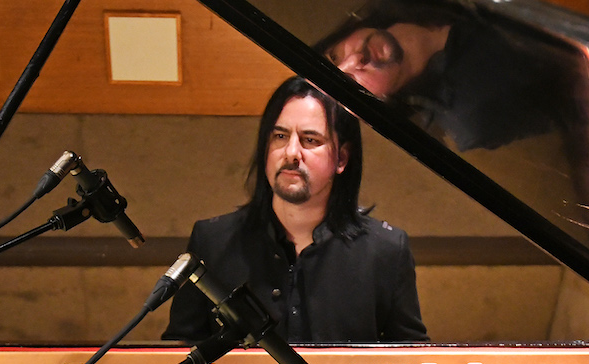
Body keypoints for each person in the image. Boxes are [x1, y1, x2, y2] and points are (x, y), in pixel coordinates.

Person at [162, 76, 428, 344]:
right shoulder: (213, 241)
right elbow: (178, 352)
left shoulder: (387, 251)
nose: (291, 153)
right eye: (280, 136)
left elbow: (413, 358)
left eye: (310, 140)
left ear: (342, 159)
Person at [317, 0, 582, 152]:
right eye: (349, 86)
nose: (355, 60)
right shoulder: (473, 115)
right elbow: (583, 93)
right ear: (377, 104)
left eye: (334, 56)